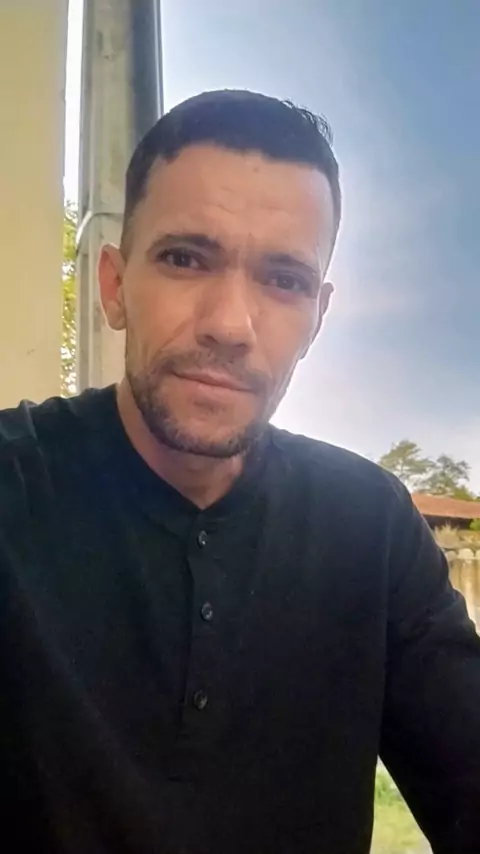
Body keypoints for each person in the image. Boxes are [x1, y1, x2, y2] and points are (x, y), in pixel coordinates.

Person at [1, 90, 479, 854]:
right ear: (114, 285)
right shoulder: (14, 486)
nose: (230, 324)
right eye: (186, 258)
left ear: (316, 317)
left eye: (283, 279)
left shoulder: (372, 526)